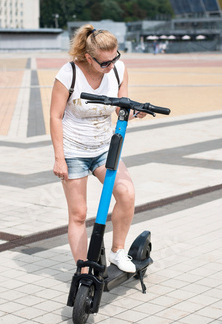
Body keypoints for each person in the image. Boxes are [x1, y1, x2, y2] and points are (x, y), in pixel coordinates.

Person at [50, 24, 146, 274]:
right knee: (79, 214)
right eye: (104, 63)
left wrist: (135, 112)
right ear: (89, 57)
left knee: (126, 194)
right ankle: (83, 271)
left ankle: (117, 251)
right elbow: (55, 116)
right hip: (74, 151)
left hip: (104, 148)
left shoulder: (118, 71)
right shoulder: (68, 73)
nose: (111, 66)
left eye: (115, 58)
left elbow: (120, 107)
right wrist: (59, 158)